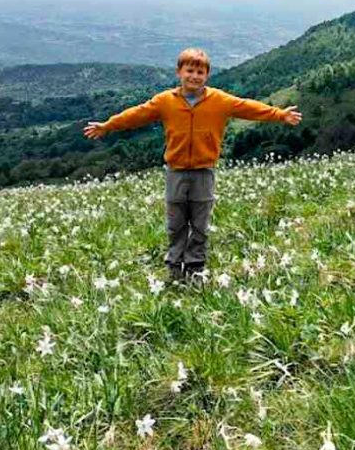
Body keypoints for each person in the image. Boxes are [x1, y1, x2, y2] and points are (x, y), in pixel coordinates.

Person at [83, 47, 302, 282]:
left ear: (207, 75)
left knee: (200, 221)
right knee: (176, 221)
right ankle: (175, 266)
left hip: (204, 171)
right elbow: (136, 114)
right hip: (175, 171)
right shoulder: (165, 101)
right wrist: (108, 125)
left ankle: (196, 266)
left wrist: (279, 114)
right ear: (179, 72)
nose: (194, 76)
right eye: (190, 70)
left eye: (200, 72)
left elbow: (247, 107)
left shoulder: (219, 100)